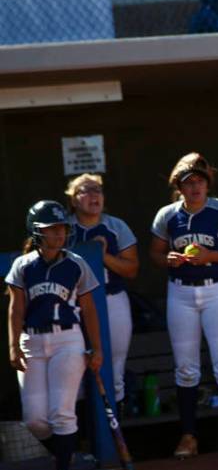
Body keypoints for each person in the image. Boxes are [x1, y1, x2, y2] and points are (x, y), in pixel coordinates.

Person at [149, 153, 218, 459]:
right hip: (181, 293)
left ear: (207, 184)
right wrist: (168, 259)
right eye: (188, 183)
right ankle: (188, 436)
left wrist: (211, 257)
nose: (195, 187)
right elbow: (154, 254)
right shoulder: (168, 215)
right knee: (186, 368)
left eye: (199, 181)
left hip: (217, 290)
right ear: (179, 187)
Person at [6, 200, 104, 470]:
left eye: (62, 228)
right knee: (35, 419)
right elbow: (16, 309)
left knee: (61, 413)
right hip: (32, 341)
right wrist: (12, 344)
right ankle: (65, 452)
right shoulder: (23, 265)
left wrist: (96, 348)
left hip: (67, 340)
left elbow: (89, 310)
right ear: (37, 232)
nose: (59, 234)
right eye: (52, 229)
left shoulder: (76, 263)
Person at [64, 174, 138, 412]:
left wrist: (101, 255)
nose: (94, 195)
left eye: (98, 190)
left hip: (112, 299)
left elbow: (131, 269)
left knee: (114, 369)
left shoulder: (115, 226)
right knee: (75, 373)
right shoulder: (63, 229)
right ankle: (83, 441)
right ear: (73, 200)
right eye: (86, 190)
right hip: (73, 305)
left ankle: (116, 439)